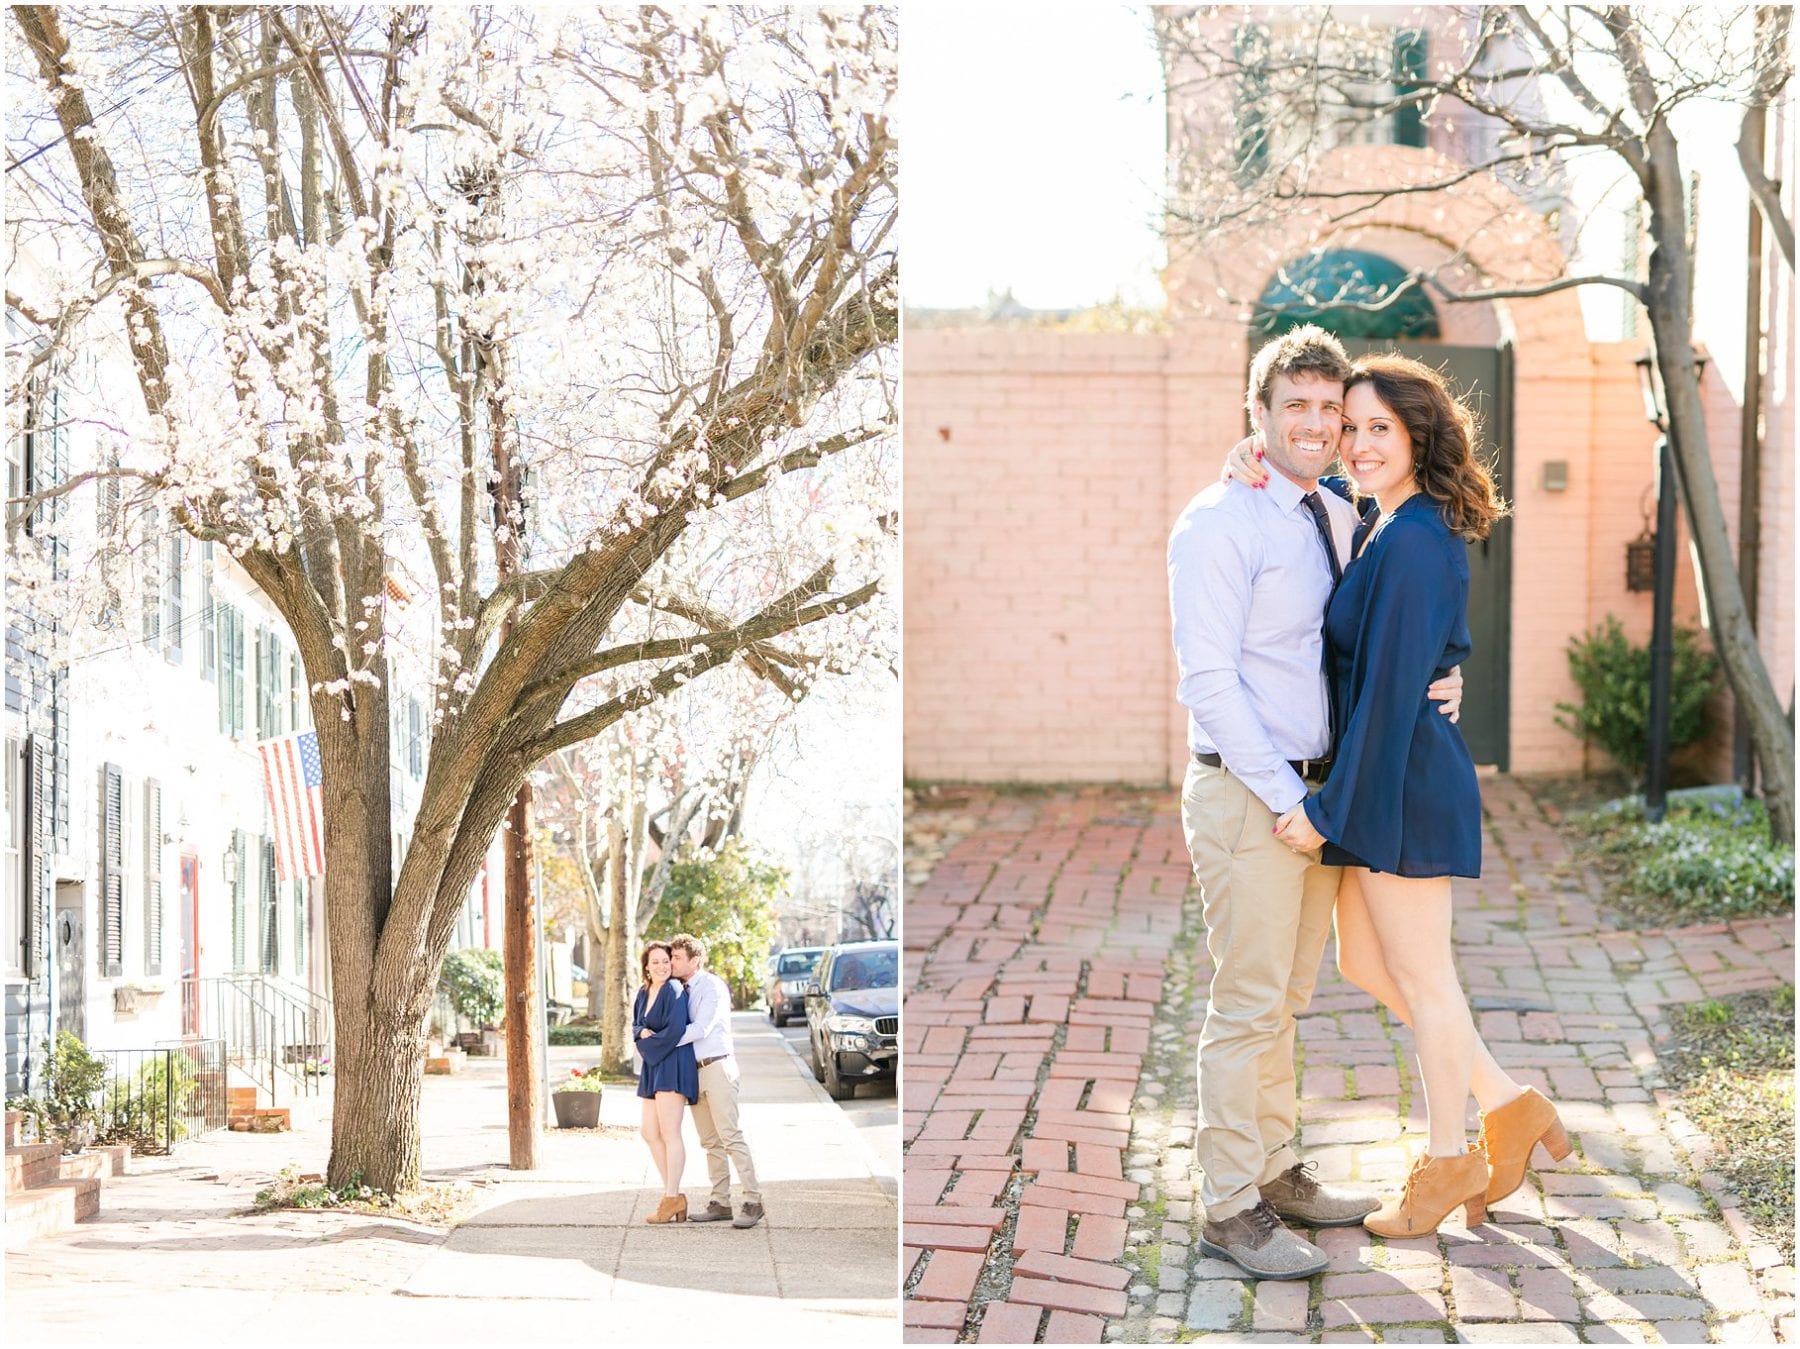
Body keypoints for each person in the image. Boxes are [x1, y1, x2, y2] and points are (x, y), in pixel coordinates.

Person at [1228, 353, 1567, 1238]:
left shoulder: (1415, 539)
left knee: (1423, 973)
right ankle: (1509, 1104)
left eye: (1381, 427)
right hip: (1383, 774)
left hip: (1400, 785)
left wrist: (1330, 811)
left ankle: (1451, 1158)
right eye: (1353, 426)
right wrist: (1247, 456)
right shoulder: (1380, 518)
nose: (1359, 443)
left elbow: (1387, 692)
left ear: (1419, 434)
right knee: (1366, 965)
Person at [1167, 325, 1466, 1280]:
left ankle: (1276, 1171)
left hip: (1313, 794)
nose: (1314, 423)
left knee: (1287, 1000)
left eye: (1327, 409)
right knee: (1247, 1003)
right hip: (1254, 790)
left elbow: (1385, 624)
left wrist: (1444, 674)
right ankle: (1226, 1206)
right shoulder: (1218, 521)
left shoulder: (1337, 515)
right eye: (1291, 405)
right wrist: (1287, 797)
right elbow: (1209, 681)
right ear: (1256, 415)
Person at [669, 933, 765, 1229]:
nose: (672, 962)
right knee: (710, 1141)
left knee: (730, 1136)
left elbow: (701, 1027)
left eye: (677, 958)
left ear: (694, 960)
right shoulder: (678, 989)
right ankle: (720, 1202)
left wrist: (663, 1041)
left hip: (717, 1067)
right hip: (694, 1072)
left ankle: (753, 1200)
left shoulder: (711, 986)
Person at [633, 940, 699, 1224]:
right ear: (646, 966)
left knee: (670, 1132)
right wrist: (642, 1036)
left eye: (665, 961)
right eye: (655, 961)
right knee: (649, 1131)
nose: (661, 966)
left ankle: (671, 1196)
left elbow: (674, 1032)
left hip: (672, 1063)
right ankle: (673, 1196)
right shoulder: (643, 991)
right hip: (653, 1065)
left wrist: (647, 1042)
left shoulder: (674, 990)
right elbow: (636, 1026)